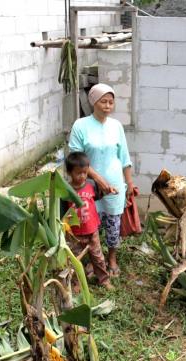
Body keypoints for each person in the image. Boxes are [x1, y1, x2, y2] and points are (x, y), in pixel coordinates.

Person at [68, 83, 135, 278]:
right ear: (93, 102)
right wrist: (98, 179)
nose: (108, 105)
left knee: (113, 224)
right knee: (89, 225)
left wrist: (129, 183)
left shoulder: (116, 126)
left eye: (111, 102)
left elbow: (124, 157)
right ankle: (92, 261)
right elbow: (75, 157)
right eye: (103, 101)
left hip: (114, 184)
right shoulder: (80, 126)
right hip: (86, 185)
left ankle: (111, 258)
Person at [64, 151, 112, 290]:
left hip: (92, 230)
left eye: (85, 172)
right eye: (78, 173)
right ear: (69, 172)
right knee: (74, 259)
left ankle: (104, 280)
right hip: (74, 233)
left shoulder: (91, 185)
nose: (82, 176)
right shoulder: (66, 190)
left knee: (98, 258)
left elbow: (98, 196)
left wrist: (109, 190)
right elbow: (62, 211)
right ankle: (76, 282)